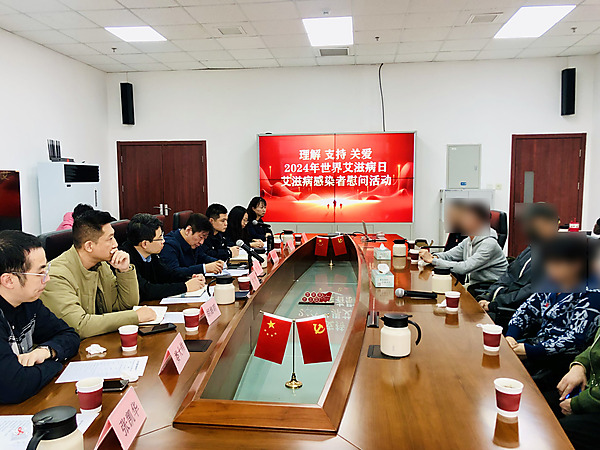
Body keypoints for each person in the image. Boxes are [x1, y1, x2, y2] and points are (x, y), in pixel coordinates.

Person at [505, 235, 600, 391]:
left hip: (561, 362)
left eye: (556, 264)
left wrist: (530, 351)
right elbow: (526, 309)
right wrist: (511, 336)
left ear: (576, 265)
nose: (549, 269)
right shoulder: (552, 282)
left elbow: (575, 339)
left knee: (519, 385)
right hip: (536, 347)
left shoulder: (592, 292)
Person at [41, 210, 156, 339]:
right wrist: (135, 317)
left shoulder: (100, 264)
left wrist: (124, 271)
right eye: (110, 239)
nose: (116, 244)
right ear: (89, 246)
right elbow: (80, 326)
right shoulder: (56, 276)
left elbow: (125, 305)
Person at [0, 231, 80, 404]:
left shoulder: (29, 302)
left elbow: (70, 335)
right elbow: (13, 386)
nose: (47, 279)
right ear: (8, 280)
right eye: (40, 273)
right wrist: (55, 363)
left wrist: (46, 352)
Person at [478, 202, 559, 327]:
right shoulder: (533, 247)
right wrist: (488, 296)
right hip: (501, 305)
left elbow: (529, 292)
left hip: (519, 313)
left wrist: (495, 304)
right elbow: (508, 275)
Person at [419, 202, 508, 287]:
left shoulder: (489, 244)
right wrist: (433, 256)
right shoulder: (468, 240)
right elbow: (449, 255)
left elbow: (464, 267)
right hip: (474, 286)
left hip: (490, 289)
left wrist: (433, 261)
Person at [121, 214, 206, 302]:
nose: (163, 241)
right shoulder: (125, 260)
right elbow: (146, 290)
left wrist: (190, 278)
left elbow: (167, 275)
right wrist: (185, 287)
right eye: (160, 238)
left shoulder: (151, 253)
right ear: (144, 244)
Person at [160, 213, 224, 277]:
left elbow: (202, 256)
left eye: (204, 239)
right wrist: (204, 268)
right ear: (188, 230)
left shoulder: (193, 243)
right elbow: (174, 272)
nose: (201, 242)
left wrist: (216, 262)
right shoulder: (168, 245)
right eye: (201, 237)